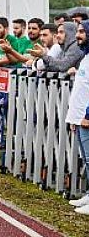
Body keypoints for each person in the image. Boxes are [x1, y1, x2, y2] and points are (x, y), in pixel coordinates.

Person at [65, 20, 89, 214]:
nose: (77, 35)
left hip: (86, 118)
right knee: (86, 159)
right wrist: (73, 118)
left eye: (82, 31)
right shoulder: (85, 57)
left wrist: (87, 115)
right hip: (79, 117)